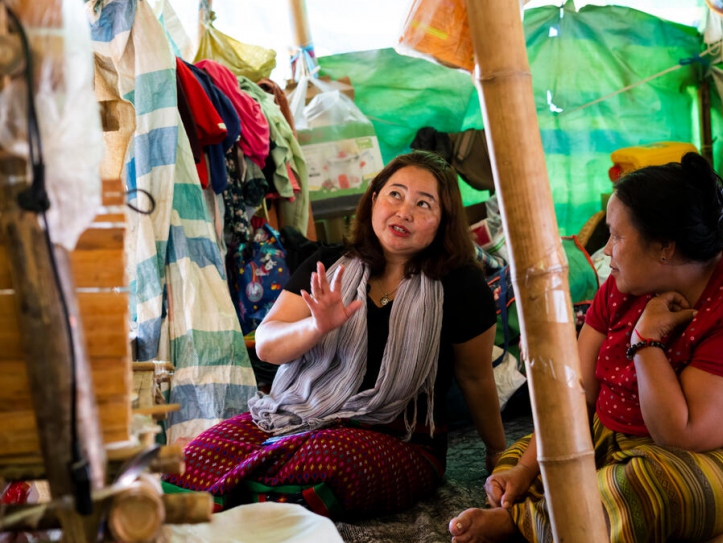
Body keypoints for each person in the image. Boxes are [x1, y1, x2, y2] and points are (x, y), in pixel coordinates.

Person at [449, 153, 723, 542]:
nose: (607, 251)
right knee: (530, 457)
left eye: (617, 236)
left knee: (657, 487)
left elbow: (679, 434)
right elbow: (577, 395)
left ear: (665, 247)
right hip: (626, 437)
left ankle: (524, 523)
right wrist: (526, 470)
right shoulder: (624, 283)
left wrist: (646, 342)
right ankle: (554, 506)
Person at [162, 150, 507, 518]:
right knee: (195, 455)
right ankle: (254, 491)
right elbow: (266, 345)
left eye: (424, 204)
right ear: (374, 198)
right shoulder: (328, 266)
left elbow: (475, 377)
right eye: (395, 194)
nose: (404, 211)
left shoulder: (462, 286)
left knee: (333, 464)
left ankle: (234, 490)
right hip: (295, 416)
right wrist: (316, 326)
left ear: (443, 222)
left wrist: (498, 452)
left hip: (398, 437)